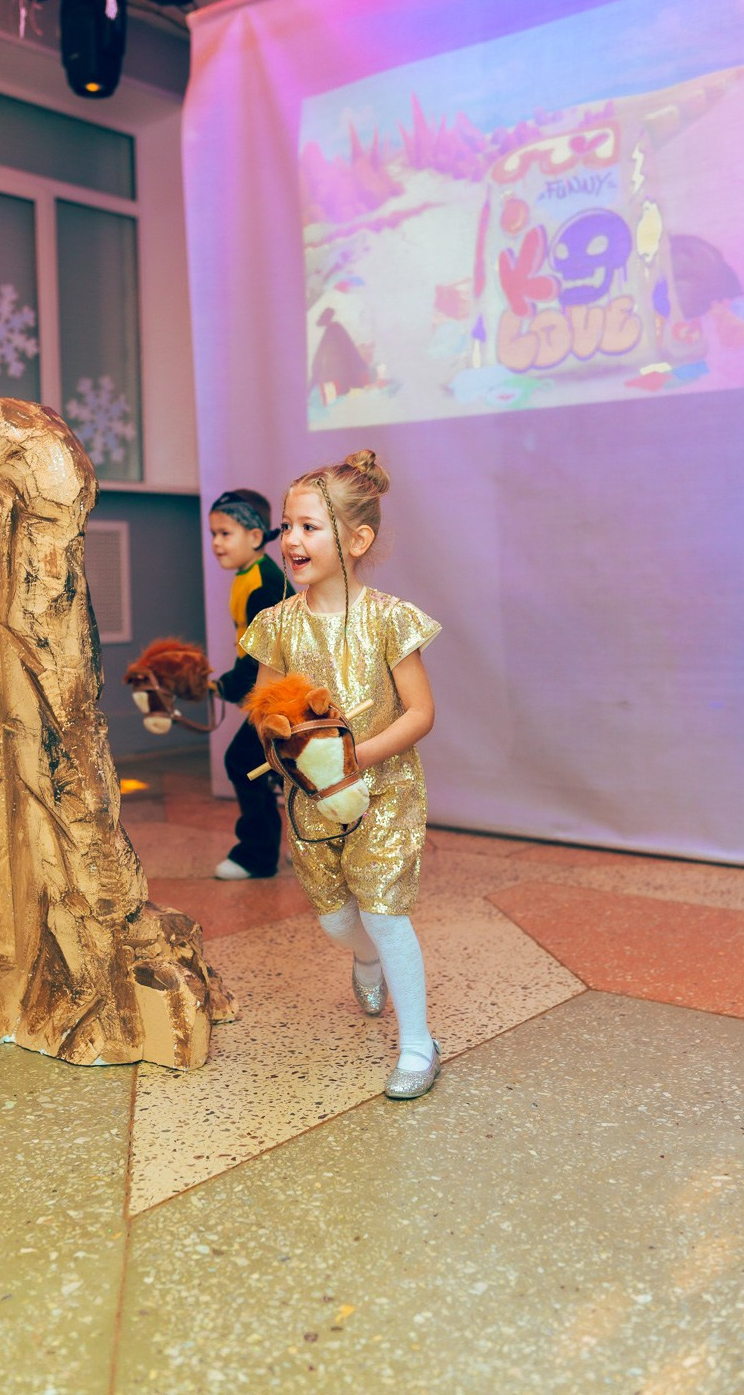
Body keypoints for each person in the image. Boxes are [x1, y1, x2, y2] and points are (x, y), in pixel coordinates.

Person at [241, 450, 442, 1099]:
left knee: (386, 914)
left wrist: (355, 758)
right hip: (310, 803)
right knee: (335, 921)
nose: (291, 540)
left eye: (308, 527)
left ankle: (417, 1044)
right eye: (286, 526)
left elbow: (420, 713)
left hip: (385, 793)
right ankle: (362, 959)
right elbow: (266, 716)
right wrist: (292, 756)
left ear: (356, 540)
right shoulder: (275, 625)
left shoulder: (389, 618)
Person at [209, 489, 285, 880]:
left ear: (255, 536)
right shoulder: (247, 576)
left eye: (226, 533)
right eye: (214, 534)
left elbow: (261, 657)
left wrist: (227, 686)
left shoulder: (264, 583)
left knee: (242, 761)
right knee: (263, 765)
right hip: (269, 687)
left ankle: (257, 855)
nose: (216, 543)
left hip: (283, 692)